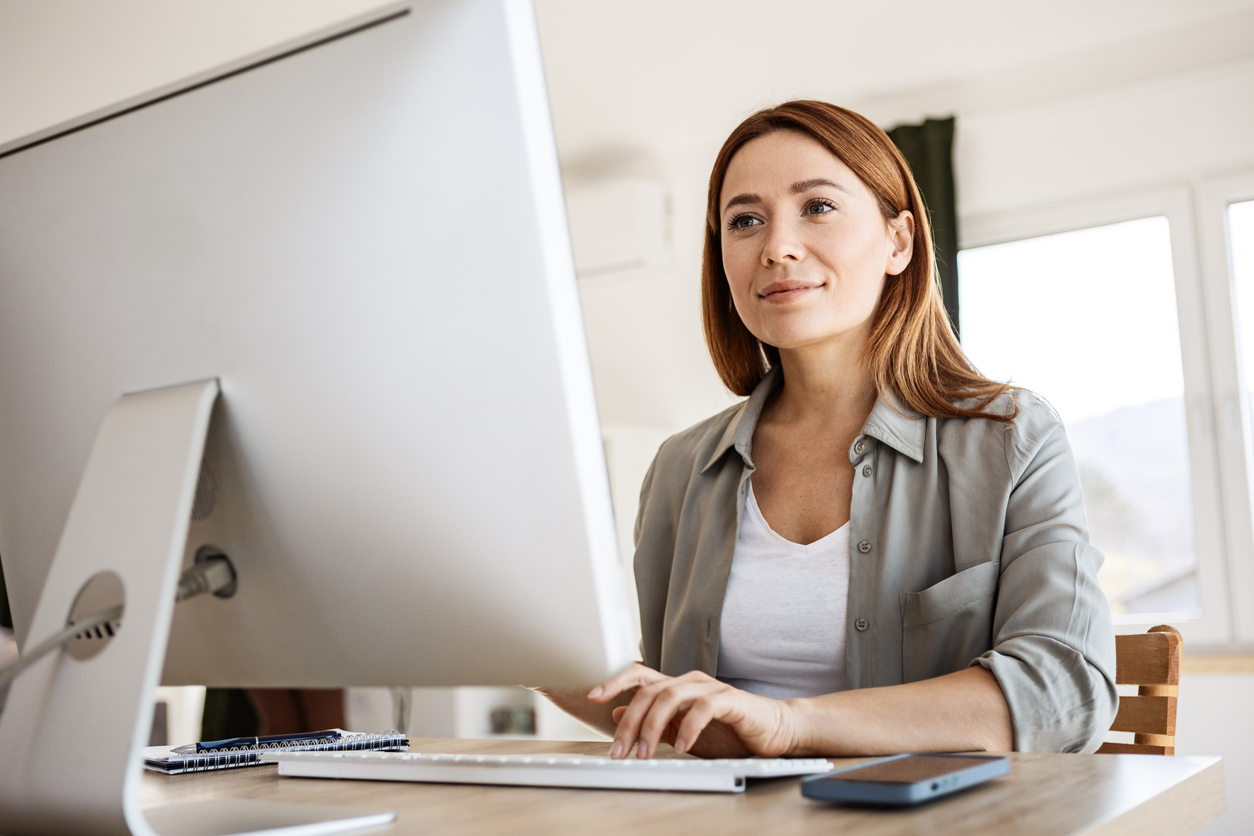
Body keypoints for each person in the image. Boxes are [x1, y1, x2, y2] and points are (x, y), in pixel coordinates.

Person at [541, 100, 1116, 760]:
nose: (777, 246)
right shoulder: (680, 468)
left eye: (816, 207)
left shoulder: (1011, 437)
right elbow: (685, 717)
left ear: (899, 242)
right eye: (745, 220)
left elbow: (1066, 689)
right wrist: (532, 650)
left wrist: (790, 723)